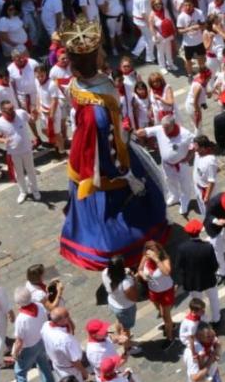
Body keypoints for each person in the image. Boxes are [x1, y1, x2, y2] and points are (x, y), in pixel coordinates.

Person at [56, 16, 169, 269]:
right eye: (100, 51)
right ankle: (121, 251)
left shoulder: (79, 84)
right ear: (92, 59)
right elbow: (106, 145)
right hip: (107, 162)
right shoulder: (97, 108)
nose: (105, 53)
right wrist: (126, 175)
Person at [173, 218, 221, 321]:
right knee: (214, 300)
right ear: (199, 232)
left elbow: (178, 267)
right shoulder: (208, 247)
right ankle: (216, 319)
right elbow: (215, 266)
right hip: (209, 279)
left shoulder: (182, 248)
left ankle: (203, 320)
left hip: (192, 282)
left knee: (197, 302)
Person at [0, 99, 41, 203]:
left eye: (12, 108)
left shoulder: (21, 113)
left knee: (31, 171)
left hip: (27, 149)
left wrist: (35, 115)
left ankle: (35, 190)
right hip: (14, 152)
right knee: (19, 173)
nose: (12, 111)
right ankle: (23, 191)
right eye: (9, 109)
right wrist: (4, 140)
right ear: (2, 111)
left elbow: (32, 120)